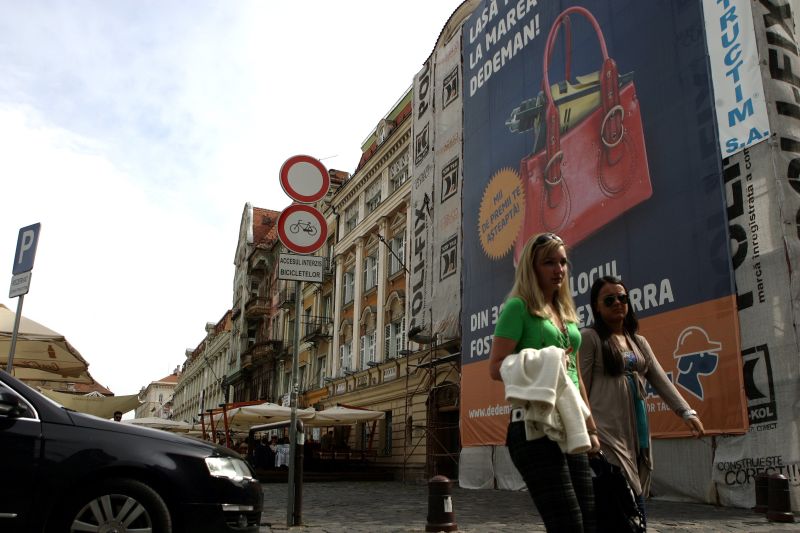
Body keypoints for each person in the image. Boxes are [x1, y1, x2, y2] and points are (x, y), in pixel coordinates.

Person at [490, 232, 600, 532]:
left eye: (563, 262)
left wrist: (591, 429)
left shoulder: (565, 313)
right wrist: (544, 360)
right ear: (531, 267)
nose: (559, 269)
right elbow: (496, 367)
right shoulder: (518, 308)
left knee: (590, 521)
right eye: (549, 262)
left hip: (571, 424)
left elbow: (574, 373)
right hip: (532, 426)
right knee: (568, 524)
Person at [579, 275, 705, 523]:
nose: (618, 302)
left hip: (637, 432)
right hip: (606, 435)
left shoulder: (638, 341)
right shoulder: (590, 338)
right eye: (610, 299)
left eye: (623, 298)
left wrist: (686, 412)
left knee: (629, 502)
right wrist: (586, 433)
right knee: (623, 503)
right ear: (596, 306)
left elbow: (660, 379)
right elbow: (579, 387)